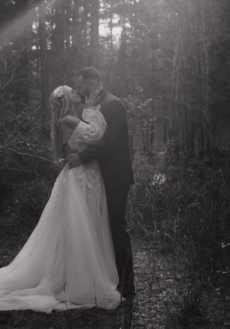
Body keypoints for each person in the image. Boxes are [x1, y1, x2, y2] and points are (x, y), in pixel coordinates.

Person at [0, 86, 121, 312]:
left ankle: (84, 275)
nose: (79, 94)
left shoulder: (70, 119)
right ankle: (80, 281)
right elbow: (96, 134)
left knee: (86, 225)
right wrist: (89, 109)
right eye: (74, 93)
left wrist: (86, 111)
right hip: (80, 177)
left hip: (87, 174)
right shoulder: (68, 120)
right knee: (78, 228)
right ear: (68, 99)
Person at [67, 67, 135, 299]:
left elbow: (110, 143)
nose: (78, 90)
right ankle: (106, 278)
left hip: (115, 177)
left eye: (81, 87)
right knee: (98, 227)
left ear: (94, 82)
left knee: (116, 227)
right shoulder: (91, 105)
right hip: (95, 177)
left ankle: (127, 285)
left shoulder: (113, 105)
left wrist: (81, 158)